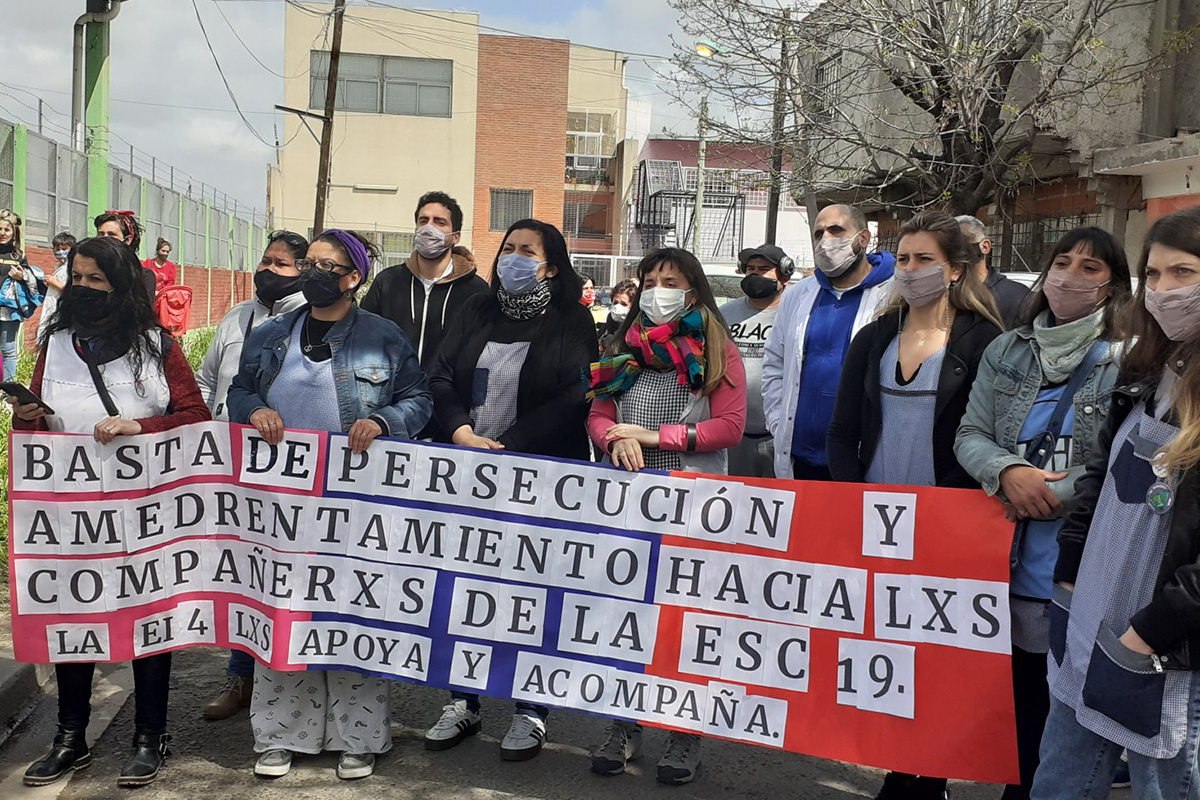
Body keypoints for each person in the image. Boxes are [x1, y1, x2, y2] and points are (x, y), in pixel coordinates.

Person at [227, 229, 432, 780]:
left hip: (354, 505)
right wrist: (251, 411)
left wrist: (384, 420)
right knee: (283, 614)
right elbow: (239, 391)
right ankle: (279, 736)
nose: (314, 272)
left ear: (353, 277)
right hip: (281, 506)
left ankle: (358, 737)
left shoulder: (383, 337)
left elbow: (419, 398)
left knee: (348, 616)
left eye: (328, 265)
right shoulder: (271, 335)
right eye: (309, 262)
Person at [15, 236, 211, 788]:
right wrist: (28, 416)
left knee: (150, 621)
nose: (83, 289)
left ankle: (150, 737)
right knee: (72, 617)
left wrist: (139, 428)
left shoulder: (159, 348)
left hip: (147, 513)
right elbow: (31, 433)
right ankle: (70, 737)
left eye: (96, 280)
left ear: (122, 286)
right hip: (70, 516)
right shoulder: (54, 346)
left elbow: (196, 418)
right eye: (76, 278)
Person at [827, 210, 1003, 800]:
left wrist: (944, 513)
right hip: (877, 525)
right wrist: (855, 505)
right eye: (902, 259)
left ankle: (930, 776)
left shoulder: (985, 341)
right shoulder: (875, 336)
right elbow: (840, 432)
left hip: (948, 524)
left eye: (924, 259)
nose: (910, 270)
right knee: (885, 650)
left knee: (939, 658)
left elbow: (988, 436)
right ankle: (899, 764)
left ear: (954, 269)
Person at [954, 227, 1132, 800]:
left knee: (1066, 710)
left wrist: (1063, 491)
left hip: (1079, 561)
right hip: (1003, 555)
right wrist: (1007, 473)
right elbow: (971, 432)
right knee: (1017, 699)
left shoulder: (1127, 359)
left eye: (1089, 268)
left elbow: (1125, 457)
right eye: (1062, 263)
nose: (1070, 277)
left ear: (1112, 286)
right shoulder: (1007, 349)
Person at [1031, 205, 1200, 798]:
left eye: (1183, 274)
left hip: (1166, 648)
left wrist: (1151, 632)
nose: (1163, 291)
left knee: (1165, 783)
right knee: (1061, 777)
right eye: (1153, 276)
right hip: (1092, 617)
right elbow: (1101, 483)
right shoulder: (1149, 370)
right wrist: (1071, 575)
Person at [425, 219, 596, 760]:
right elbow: (441, 376)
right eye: (508, 248)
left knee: (531, 592)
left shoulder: (572, 319)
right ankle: (463, 701)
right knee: (463, 588)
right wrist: (461, 433)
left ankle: (530, 709)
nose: (513, 257)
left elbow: (576, 391)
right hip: (468, 470)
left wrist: (512, 445)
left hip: (538, 476)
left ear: (551, 264)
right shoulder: (476, 308)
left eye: (528, 250)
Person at [585, 247, 746, 784]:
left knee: (683, 621)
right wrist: (611, 438)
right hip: (628, 501)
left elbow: (728, 427)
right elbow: (600, 412)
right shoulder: (619, 347)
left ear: (693, 292)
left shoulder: (719, 352)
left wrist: (654, 437)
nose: (658, 290)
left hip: (693, 506)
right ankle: (623, 723)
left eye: (670, 281)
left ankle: (683, 732)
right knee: (627, 619)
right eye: (650, 280)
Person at [194, 229, 309, 721]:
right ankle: (240, 677)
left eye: (281, 264)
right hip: (226, 466)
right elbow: (205, 379)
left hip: (284, 472)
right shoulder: (238, 317)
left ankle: (289, 685)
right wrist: (203, 432)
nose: (268, 270)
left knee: (281, 576)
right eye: (265, 260)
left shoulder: (311, 324)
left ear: (304, 272)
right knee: (240, 576)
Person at [763, 203, 895, 480]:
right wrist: (778, 421)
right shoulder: (799, 294)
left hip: (859, 459)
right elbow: (775, 361)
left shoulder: (893, 293)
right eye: (818, 233)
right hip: (799, 457)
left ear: (863, 237)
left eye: (836, 230)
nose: (826, 241)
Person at [360, 191, 488, 377]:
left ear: (456, 236)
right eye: (423, 221)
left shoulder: (476, 291)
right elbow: (365, 337)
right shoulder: (388, 281)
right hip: (392, 397)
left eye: (439, 222)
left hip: (447, 400)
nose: (429, 228)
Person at [720, 243, 793, 477]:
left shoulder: (796, 313)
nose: (755, 274)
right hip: (734, 434)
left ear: (784, 274)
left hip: (779, 435)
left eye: (763, 269)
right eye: (750, 269)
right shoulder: (725, 313)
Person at [957, 215, 1031, 329]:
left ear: (985, 246)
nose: (954, 250)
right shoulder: (942, 295)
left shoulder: (1018, 296)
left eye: (961, 242)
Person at [0, 209, 43, 380]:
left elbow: (32, 283)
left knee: (8, 350)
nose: (2, 233)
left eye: (7, 229)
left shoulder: (18, 256)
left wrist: (22, 276)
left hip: (9, 311)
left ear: (14, 232)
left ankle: (8, 391)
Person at [94, 211, 156, 298]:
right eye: (101, 234)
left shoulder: (143, 276)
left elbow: (143, 309)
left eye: (111, 234)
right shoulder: (87, 270)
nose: (104, 239)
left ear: (128, 239)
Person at [37, 232, 75, 343]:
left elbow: (70, 291)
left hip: (61, 310)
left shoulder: (72, 268)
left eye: (64, 248)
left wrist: (54, 283)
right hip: (52, 307)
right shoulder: (59, 267)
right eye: (57, 249)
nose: (60, 252)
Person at [598, 277, 636, 350]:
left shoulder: (636, 332)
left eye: (624, 304)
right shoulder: (605, 329)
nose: (618, 306)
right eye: (615, 302)